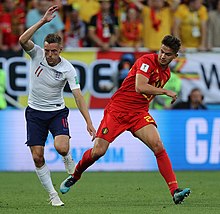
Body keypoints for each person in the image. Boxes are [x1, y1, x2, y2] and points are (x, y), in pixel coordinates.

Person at [60, 35, 191, 204]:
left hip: (138, 113)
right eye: (161, 51)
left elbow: (147, 95)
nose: (163, 56)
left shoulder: (165, 73)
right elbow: (140, 87)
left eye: (167, 54)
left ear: (175, 56)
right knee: (98, 151)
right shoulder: (147, 61)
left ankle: (175, 191)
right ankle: (75, 175)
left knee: (158, 146)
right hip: (118, 110)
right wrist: (166, 92)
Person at [19, 5, 96, 207]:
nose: (49, 54)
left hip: (56, 112)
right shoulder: (36, 55)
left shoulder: (67, 68)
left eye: (53, 51)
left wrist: (89, 122)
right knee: (37, 157)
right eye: (47, 50)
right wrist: (43, 21)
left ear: (60, 50)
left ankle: (67, 157)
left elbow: (78, 96)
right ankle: (53, 194)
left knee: (61, 147)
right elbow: (22, 40)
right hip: (34, 112)